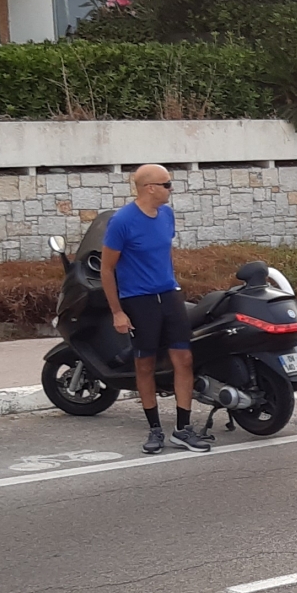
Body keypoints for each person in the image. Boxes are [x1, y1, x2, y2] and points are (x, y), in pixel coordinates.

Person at [103, 164, 209, 454]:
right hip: (138, 300)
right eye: (167, 184)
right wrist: (117, 312)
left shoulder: (167, 215)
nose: (170, 189)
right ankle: (154, 430)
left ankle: (182, 429)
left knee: (184, 359)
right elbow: (107, 269)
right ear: (150, 187)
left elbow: (163, 253)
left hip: (169, 295)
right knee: (145, 364)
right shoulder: (122, 221)